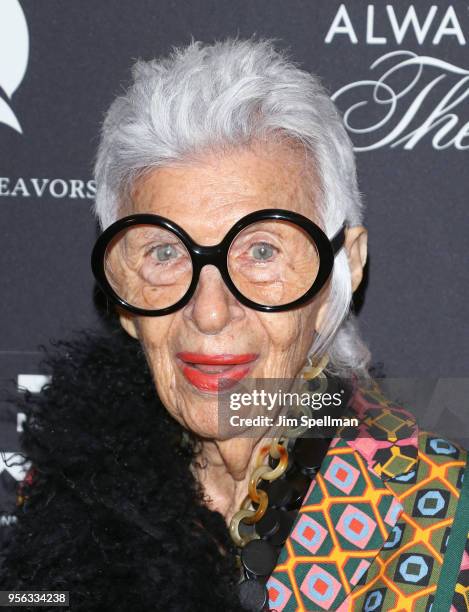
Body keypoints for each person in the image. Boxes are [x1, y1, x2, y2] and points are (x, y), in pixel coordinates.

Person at [1, 38, 468, 612]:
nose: (211, 311)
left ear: (343, 270)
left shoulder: (442, 511)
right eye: (165, 254)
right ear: (123, 297)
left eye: (262, 252)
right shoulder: (67, 492)